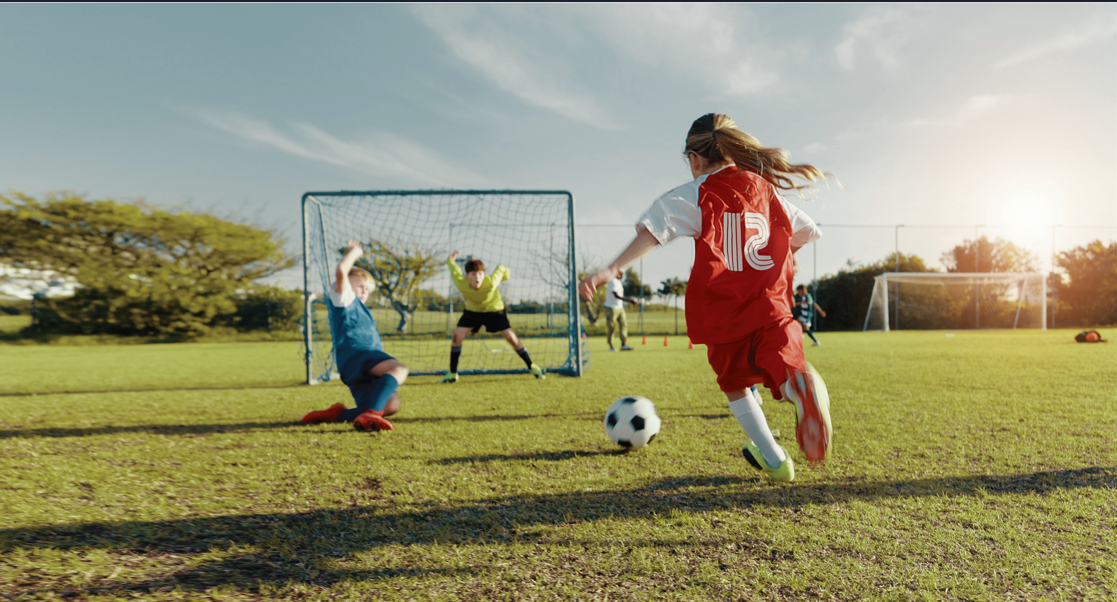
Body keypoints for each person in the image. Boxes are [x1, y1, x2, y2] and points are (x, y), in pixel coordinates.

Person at [579, 113, 833, 482]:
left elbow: (654, 230)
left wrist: (611, 269)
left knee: (733, 384)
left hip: (724, 311)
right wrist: (776, 251)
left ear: (694, 158)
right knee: (783, 359)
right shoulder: (765, 189)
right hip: (771, 304)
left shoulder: (697, 192)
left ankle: (774, 458)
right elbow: (808, 232)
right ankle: (798, 385)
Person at [302, 241, 409, 431]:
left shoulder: (362, 309)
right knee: (399, 369)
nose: (364, 290)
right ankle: (371, 414)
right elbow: (342, 271)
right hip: (358, 355)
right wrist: (356, 252)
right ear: (345, 286)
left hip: (359, 363)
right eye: (360, 285)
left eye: (367, 288)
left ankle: (337, 414)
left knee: (391, 406)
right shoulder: (344, 299)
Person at [440, 251, 545, 383]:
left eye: (480, 274)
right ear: (467, 276)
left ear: (484, 275)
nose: (477, 277)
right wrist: (450, 261)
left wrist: (506, 275)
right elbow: (454, 271)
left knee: (511, 338)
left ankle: (532, 366)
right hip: (473, 312)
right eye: (473, 274)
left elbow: (501, 268)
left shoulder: (490, 282)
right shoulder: (461, 284)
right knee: (457, 337)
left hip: (494, 311)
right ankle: (452, 373)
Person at [603, 277, 637, 351]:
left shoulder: (618, 282)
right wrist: (630, 300)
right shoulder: (612, 282)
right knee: (611, 327)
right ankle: (611, 346)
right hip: (611, 307)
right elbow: (616, 295)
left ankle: (623, 344)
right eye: (620, 272)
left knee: (624, 325)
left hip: (620, 307)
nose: (622, 274)